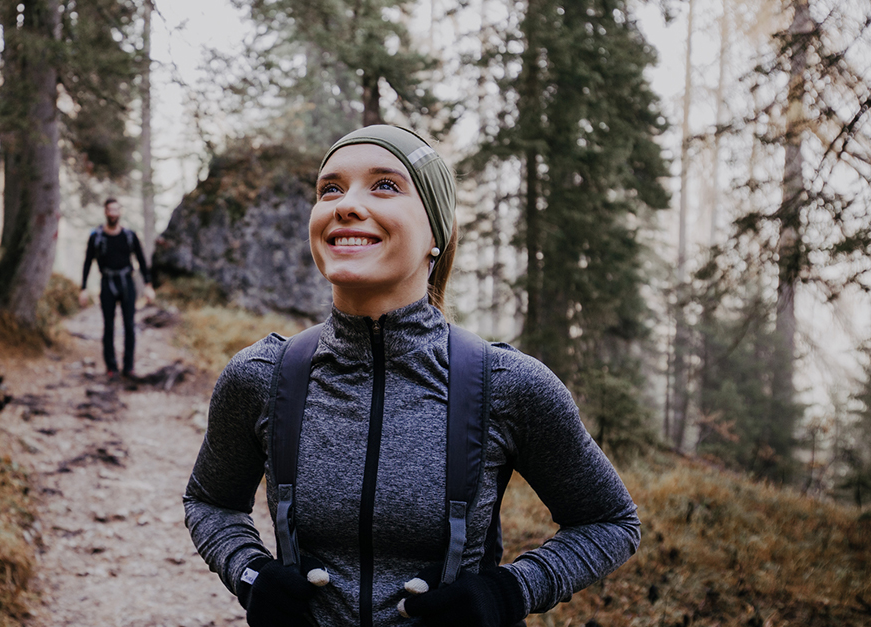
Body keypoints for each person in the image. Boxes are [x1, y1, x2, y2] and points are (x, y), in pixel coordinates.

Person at [183, 125, 640, 627]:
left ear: (435, 235)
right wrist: (251, 575)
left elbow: (609, 521)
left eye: (385, 185)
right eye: (330, 189)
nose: (346, 205)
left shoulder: (509, 385)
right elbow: (210, 502)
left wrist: (506, 593)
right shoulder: (261, 377)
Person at [79, 198, 155, 378]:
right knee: (108, 326)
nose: (113, 213)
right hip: (107, 283)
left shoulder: (130, 236)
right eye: (109, 210)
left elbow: (142, 261)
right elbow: (88, 262)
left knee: (130, 325)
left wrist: (148, 285)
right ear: (105, 212)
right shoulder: (96, 237)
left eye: (116, 210)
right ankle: (111, 367)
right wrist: (83, 288)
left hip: (127, 283)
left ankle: (129, 367)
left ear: (120, 212)